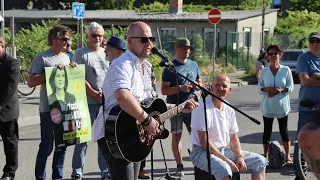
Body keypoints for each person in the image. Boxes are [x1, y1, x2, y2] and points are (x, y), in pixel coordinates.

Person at [93, 21, 198, 180]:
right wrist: (147, 120)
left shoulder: (148, 67)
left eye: (151, 39)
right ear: (130, 41)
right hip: (115, 132)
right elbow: (122, 95)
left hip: (135, 132)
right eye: (144, 39)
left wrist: (181, 107)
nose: (149, 43)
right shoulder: (122, 64)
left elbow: (150, 105)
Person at [190, 74, 268, 180]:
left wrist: (239, 157)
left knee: (260, 161)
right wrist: (226, 160)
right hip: (201, 152)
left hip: (224, 150)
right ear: (211, 87)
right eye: (217, 85)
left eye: (224, 86)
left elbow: (233, 137)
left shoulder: (229, 108)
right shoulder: (202, 107)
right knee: (225, 169)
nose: (220, 88)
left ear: (229, 90)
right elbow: (204, 142)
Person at [27, 24, 75, 180]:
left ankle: (58, 177)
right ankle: (40, 177)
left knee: (62, 146)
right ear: (54, 38)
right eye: (65, 38)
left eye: (69, 39)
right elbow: (30, 82)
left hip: (65, 108)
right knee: (47, 147)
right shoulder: (42, 57)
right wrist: (51, 73)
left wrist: (72, 70)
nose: (67, 42)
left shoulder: (67, 57)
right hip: (48, 109)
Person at [72, 22, 109, 180]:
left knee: (103, 139)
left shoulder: (107, 52)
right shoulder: (79, 53)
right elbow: (78, 77)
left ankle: (105, 172)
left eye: (100, 35)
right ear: (88, 36)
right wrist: (94, 93)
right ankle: (77, 173)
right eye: (94, 35)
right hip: (86, 102)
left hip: (106, 103)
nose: (97, 38)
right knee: (82, 140)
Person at [161, 37, 201, 176]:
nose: (187, 51)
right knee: (177, 136)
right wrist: (179, 88)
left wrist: (195, 86)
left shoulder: (194, 65)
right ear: (176, 49)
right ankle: (179, 165)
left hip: (192, 106)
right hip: (175, 107)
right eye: (184, 48)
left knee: (197, 135)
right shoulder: (170, 67)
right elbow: (164, 90)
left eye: (189, 48)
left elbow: (199, 83)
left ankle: (200, 163)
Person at [258, 45, 294, 166]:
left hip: (282, 106)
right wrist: (268, 89)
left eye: (276, 54)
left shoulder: (286, 70)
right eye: (271, 54)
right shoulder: (264, 70)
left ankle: (288, 157)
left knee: (284, 131)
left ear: (280, 55)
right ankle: (265, 156)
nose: (273, 56)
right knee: (267, 131)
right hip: (267, 106)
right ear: (268, 56)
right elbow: (259, 88)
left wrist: (281, 90)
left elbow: (291, 87)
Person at [295, 32, 320, 180]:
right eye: (312, 41)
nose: (315, 43)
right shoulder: (304, 58)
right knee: (302, 142)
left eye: (318, 41)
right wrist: (313, 77)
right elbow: (305, 81)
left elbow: (311, 79)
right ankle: (300, 174)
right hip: (307, 106)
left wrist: (316, 76)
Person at [0, 38, 20, 180]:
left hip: (7, 110)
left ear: (2, 46)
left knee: (10, 144)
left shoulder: (11, 62)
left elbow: (10, 87)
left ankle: (9, 172)